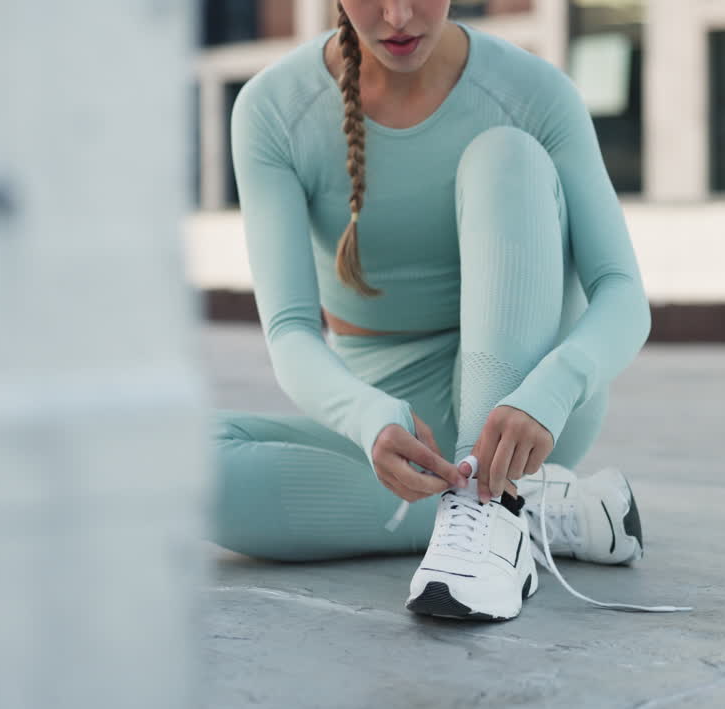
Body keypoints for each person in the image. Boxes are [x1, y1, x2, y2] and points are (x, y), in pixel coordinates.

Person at [211, 0, 689, 620]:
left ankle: (488, 515)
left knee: (506, 156)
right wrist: (369, 419)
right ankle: (535, 511)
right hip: (395, 432)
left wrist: (550, 390)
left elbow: (623, 293)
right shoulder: (273, 109)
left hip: (525, 414)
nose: (399, 14)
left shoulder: (533, 92)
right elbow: (290, 333)